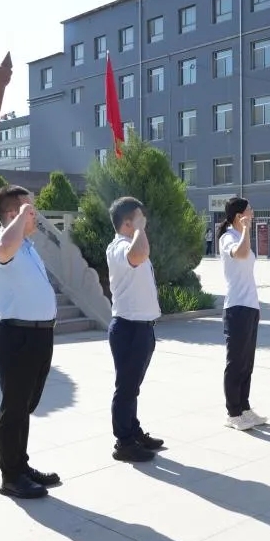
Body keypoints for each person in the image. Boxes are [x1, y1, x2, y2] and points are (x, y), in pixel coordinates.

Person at [0, 185, 60, 500]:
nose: (35, 214)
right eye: (30, 209)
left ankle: (22, 466)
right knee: (14, 409)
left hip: (40, 336)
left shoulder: (27, 247)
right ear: (13, 214)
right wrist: (20, 218)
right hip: (17, 336)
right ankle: (11, 477)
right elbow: (4, 247)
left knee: (26, 407)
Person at [106, 196, 164, 461]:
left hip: (142, 327)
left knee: (133, 387)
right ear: (127, 222)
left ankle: (133, 430)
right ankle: (124, 442)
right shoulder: (118, 247)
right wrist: (140, 228)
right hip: (128, 328)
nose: (145, 222)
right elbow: (139, 254)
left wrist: (138, 228)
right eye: (140, 218)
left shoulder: (131, 243)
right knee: (126, 388)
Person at [217, 197, 267, 431]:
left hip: (249, 306)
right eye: (249, 210)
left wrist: (256, 306)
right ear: (239, 216)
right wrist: (246, 230)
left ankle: (244, 407)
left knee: (247, 362)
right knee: (236, 362)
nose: (253, 213)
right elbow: (242, 253)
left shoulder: (240, 235)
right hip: (236, 306)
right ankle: (233, 413)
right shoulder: (228, 237)